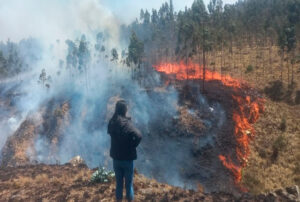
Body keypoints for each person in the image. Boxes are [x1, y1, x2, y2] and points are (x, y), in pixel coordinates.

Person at [108, 100, 142, 202]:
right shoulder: (127, 123)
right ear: (124, 110)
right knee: (128, 185)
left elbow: (110, 132)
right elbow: (139, 136)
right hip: (127, 160)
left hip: (116, 159)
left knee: (118, 184)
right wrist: (132, 145)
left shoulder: (112, 122)